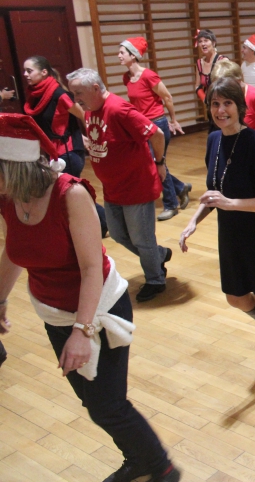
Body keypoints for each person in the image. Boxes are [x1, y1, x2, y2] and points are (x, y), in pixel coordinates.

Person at [0, 113, 180, 482]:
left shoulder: (71, 194)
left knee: (107, 406)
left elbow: (90, 268)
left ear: (13, 165)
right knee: (93, 400)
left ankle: (161, 469)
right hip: (54, 314)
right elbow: (14, 251)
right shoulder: (8, 198)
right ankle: (137, 460)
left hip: (97, 309)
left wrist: (82, 331)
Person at [179, 77, 255, 384]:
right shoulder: (213, 141)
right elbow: (215, 190)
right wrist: (193, 221)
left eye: (227, 103)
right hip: (231, 234)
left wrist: (230, 203)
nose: (221, 110)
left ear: (241, 107)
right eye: (215, 104)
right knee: (236, 298)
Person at [66, 68, 172, 303]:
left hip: (136, 186)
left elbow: (156, 134)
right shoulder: (90, 110)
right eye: (73, 93)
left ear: (95, 88)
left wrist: (160, 163)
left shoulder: (118, 109)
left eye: (79, 92)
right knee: (117, 234)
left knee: (142, 239)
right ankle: (159, 255)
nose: (76, 99)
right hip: (112, 187)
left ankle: (156, 279)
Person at [22, 56, 109, 238]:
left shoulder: (59, 94)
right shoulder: (35, 96)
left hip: (68, 153)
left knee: (72, 195)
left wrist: (88, 138)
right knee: (64, 195)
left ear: (44, 72)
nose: (25, 74)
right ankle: (100, 223)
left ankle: (104, 222)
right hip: (50, 154)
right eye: (25, 71)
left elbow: (83, 115)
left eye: (29, 71)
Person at [119, 37, 191, 221]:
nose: (119, 55)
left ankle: (171, 205)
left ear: (133, 55)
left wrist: (173, 120)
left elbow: (167, 97)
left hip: (157, 124)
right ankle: (180, 187)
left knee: (157, 163)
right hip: (142, 126)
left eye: (122, 52)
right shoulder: (127, 78)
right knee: (154, 164)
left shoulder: (149, 75)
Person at [193, 29, 228, 121]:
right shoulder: (199, 63)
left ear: (213, 43)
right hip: (211, 109)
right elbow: (197, 86)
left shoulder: (222, 61)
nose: (203, 44)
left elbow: (230, 85)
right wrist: (206, 100)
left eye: (206, 40)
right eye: (200, 41)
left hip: (225, 108)